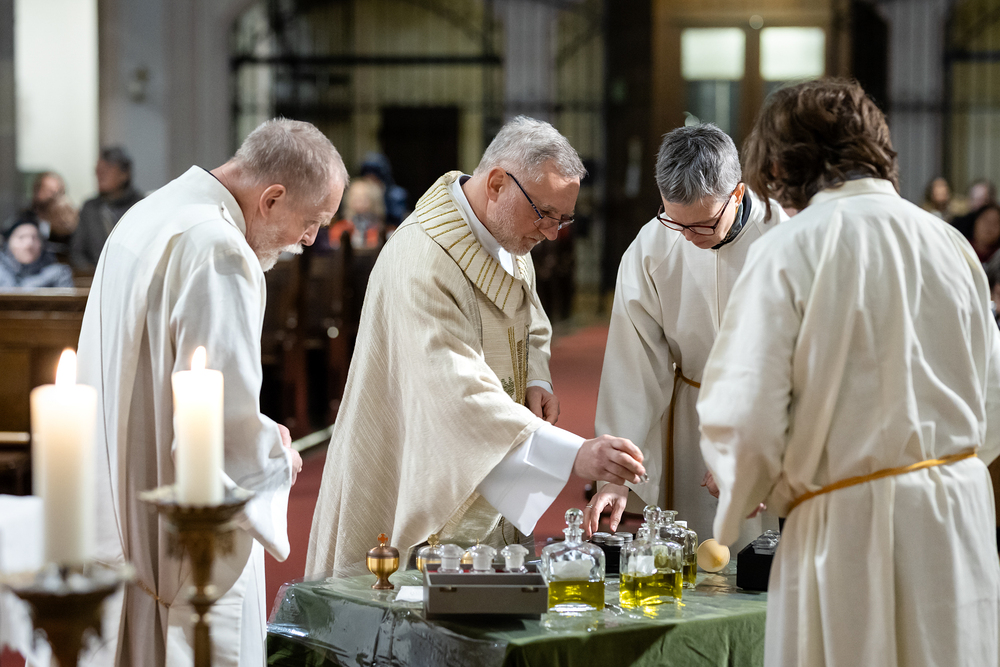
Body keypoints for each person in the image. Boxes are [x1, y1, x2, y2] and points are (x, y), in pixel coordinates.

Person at [698, 78, 1000, 666]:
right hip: (955, 523)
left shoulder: (789, 248)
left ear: (781, 166)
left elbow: (748, 418)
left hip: (846, 527)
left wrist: (741, 499)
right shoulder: (951, 243)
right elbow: (993, 396)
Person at [306, 116, 646, 577]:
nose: (551, 233)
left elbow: (531, 317)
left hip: (493, 471)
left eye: (563, 219)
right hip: (422, 476)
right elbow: (456, 393)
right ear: (498, 184)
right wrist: (573, 453)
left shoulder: (506, 234)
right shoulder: (424, 259)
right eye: (545, 214)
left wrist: (536, 376)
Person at [75, 119, 347, 667]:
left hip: (110, 504)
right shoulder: (219, 249)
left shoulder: (151, 211)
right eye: (311, 222)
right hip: (174, 540)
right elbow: (221, 427)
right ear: (271, 198)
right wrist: (279, 457)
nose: (309, 241)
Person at [587, 125, 785, 545]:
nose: (689, 238)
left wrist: (756, 447)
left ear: (737, 194)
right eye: (676, 222)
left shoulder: (784, 237)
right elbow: (632, 368)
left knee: (770, 559)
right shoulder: (653, 245)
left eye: (704, 225)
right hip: (692, 421)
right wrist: (616, 475)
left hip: (773, 419)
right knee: (693, 552)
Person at [70, 146, 144, 272]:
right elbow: (77, 252)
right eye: (97, 170)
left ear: (124, 174)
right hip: (96, 277)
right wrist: (96, 274)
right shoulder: (90, 208)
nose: (100, 175)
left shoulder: (141, 206)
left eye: (107, 169)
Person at [3, 172, 78, 255]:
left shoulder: (68, 218)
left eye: (54, 192)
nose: (50, 196)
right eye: (46, 190)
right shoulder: (25, 217)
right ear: (36, 190)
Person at [0, 219, 73, 288]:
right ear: (8, 242)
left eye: (34, 238)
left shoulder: (58, 274)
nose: (29, 244)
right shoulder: (2, 272)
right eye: (21, 237)